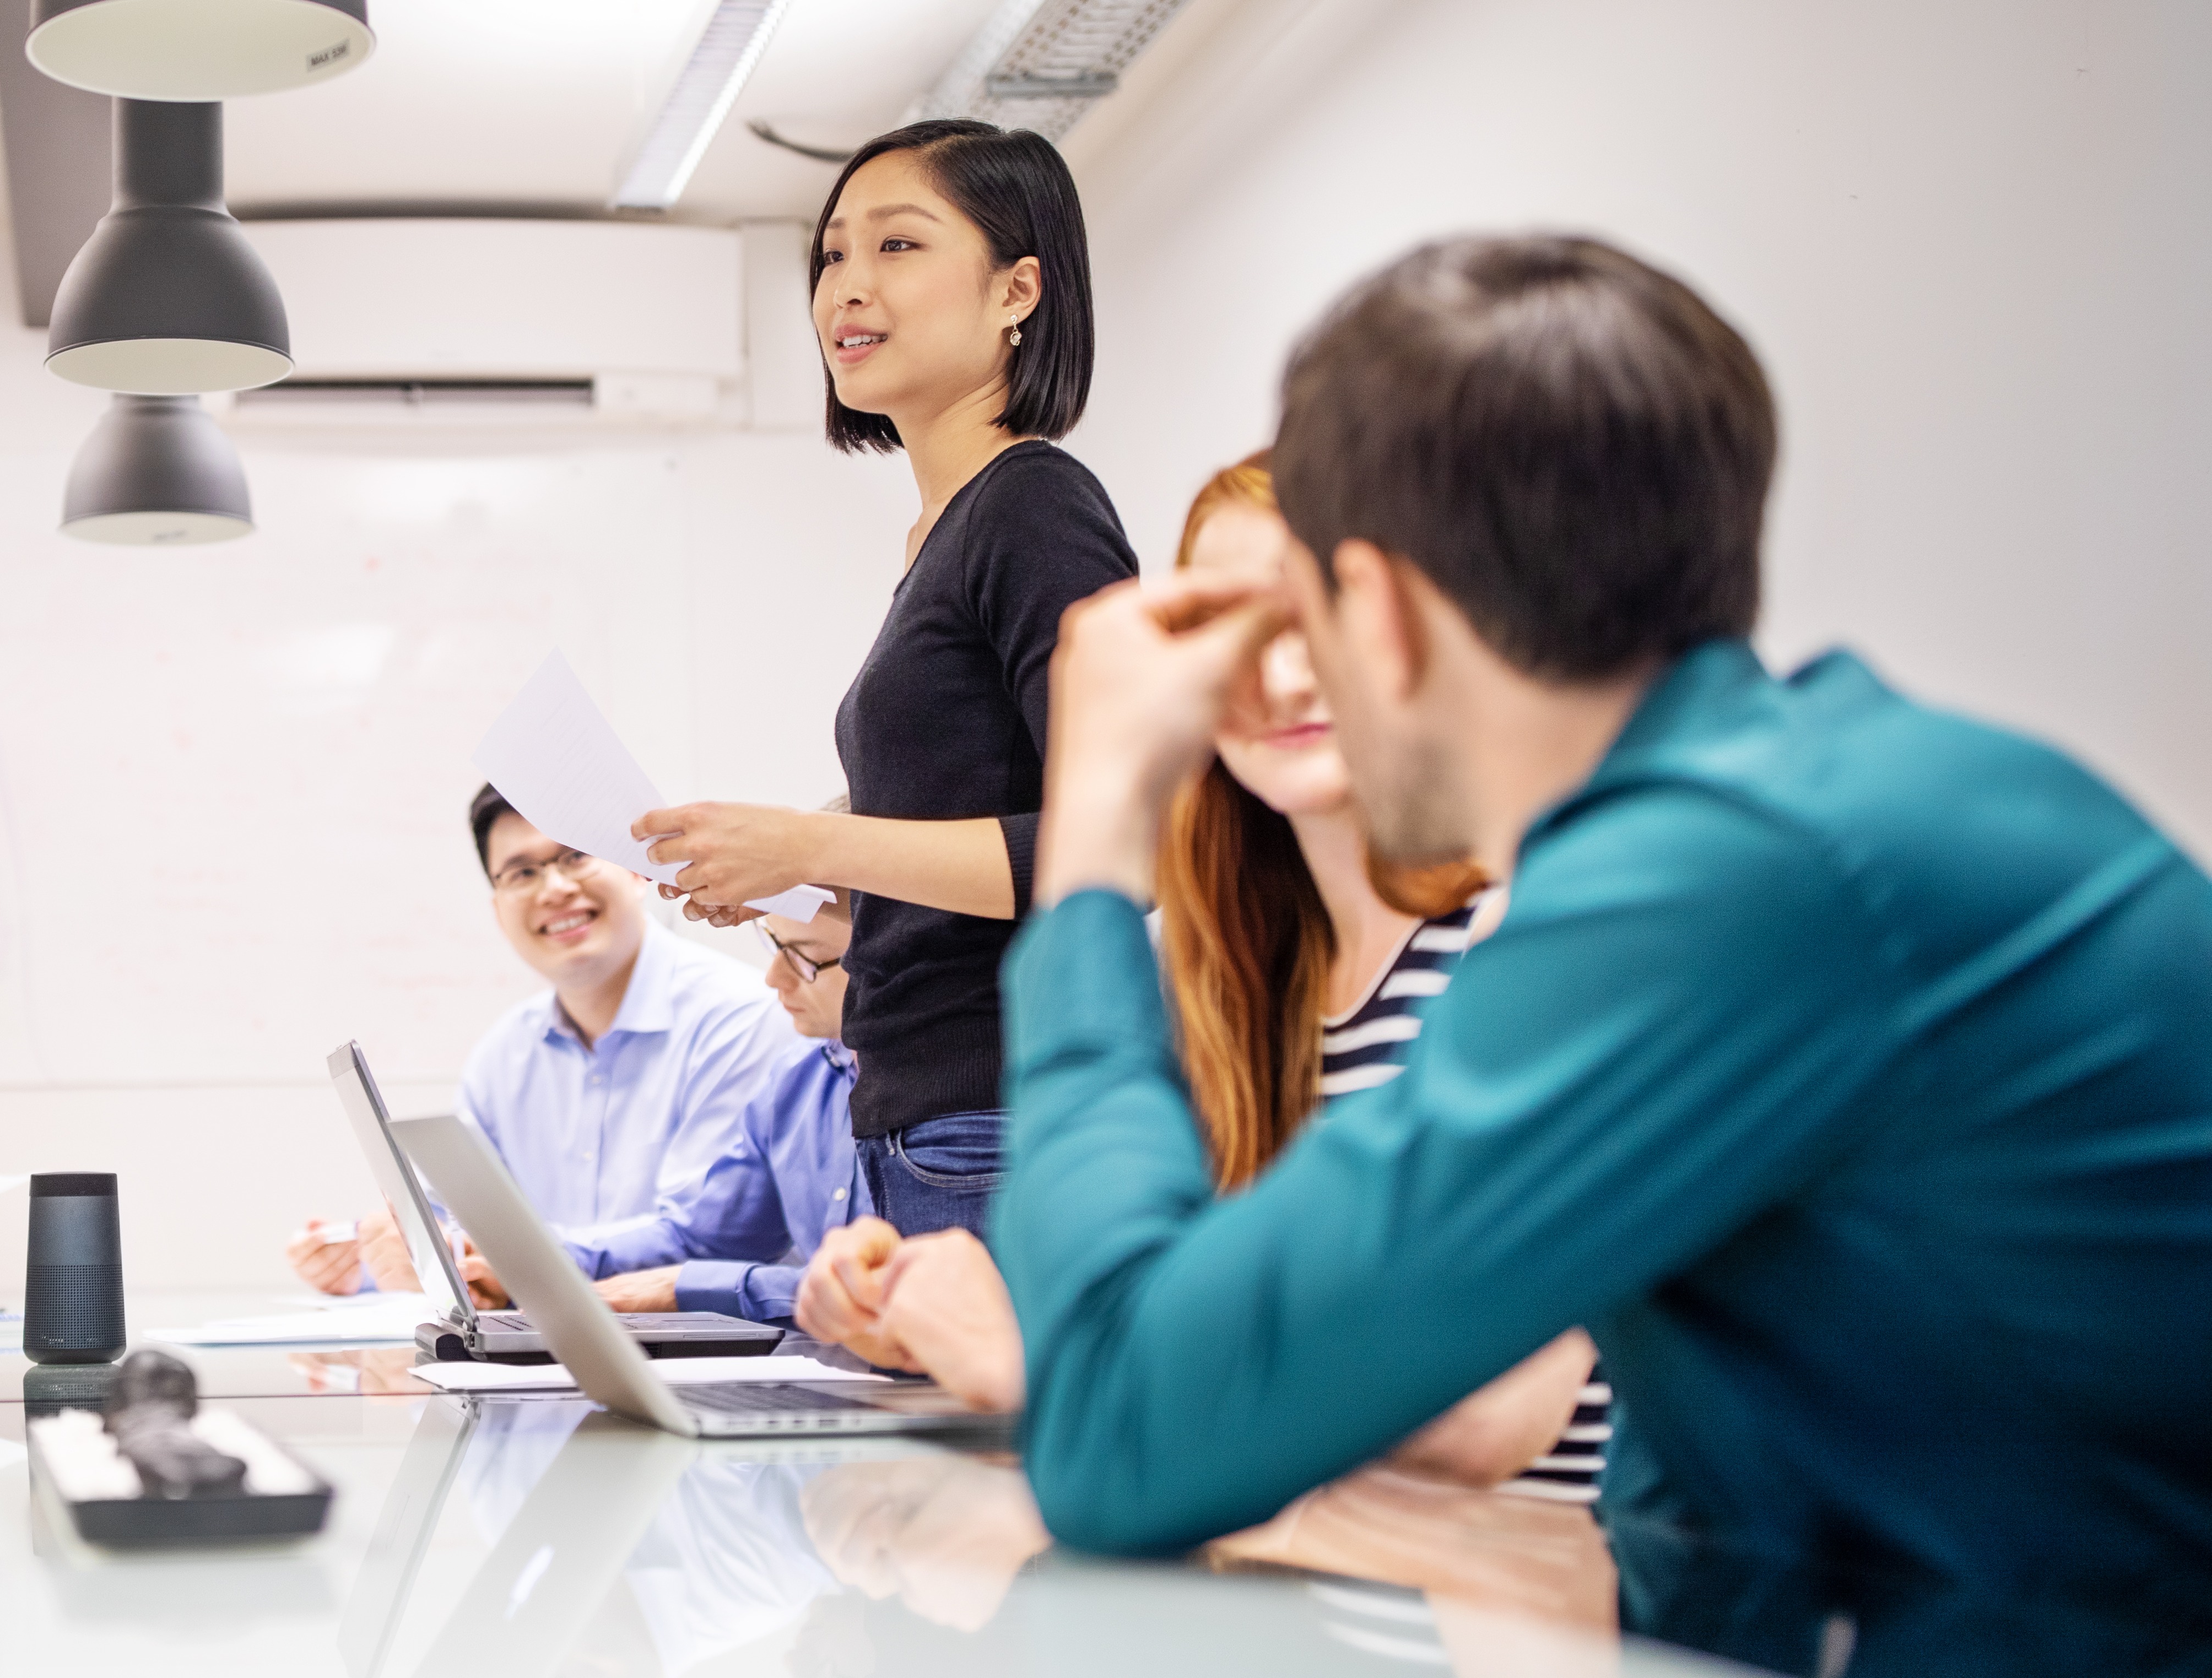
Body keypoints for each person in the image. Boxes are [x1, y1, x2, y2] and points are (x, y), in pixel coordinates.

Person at [986, 236, 2212, 1631]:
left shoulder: (1730, 885)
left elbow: (1117, 1440)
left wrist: (1091, 843)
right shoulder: (1806, 813)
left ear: (1373, 614)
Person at [795, 459, 1602, 1495]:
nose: (1282, 674)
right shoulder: (1216, 987)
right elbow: (1196, 1332)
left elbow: (1482, 1409)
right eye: (1233, 632)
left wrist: (1037, 1359)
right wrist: (936, 1307)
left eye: (1323, 619)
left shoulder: (1520, 940)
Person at [624, 120, 1138, 1244]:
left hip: (1005, 1118)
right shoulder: (945, 531)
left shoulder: (1032, 507)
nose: (846, 288)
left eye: (898, 247)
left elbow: (1122, 848)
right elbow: (979, 798)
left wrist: (816, 849)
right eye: (831, 257)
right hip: (928, 1114)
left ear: (1018, 290)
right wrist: (802, 860)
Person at [286, 786, 786, 1298]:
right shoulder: (503, 1056)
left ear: (638, 872)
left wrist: (502, 1261)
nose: (554, 889)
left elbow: (708, 1237)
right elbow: (449, 1225)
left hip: (711, 1362)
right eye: (522, 873)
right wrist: (372, 1264)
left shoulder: (743, 1018)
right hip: (550, 1357)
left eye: (575, 856)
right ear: (499, 909)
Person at [567, 882, 868, 1325]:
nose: (773, 978)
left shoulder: (965, 1090)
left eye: (805, 957)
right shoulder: (797, 1079)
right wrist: (530, 1264)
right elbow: (709, 1240)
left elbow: (895, 1294)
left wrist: (688, 1287)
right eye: (774, 944)